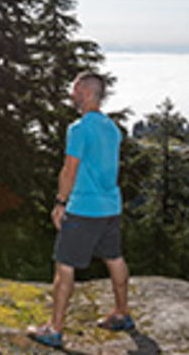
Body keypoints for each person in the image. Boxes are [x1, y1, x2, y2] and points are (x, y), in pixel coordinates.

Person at [27, 71, 135, 349]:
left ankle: (54, 329)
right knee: (114, 258)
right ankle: (122, 313)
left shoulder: (79, 128)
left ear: (86, 93)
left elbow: (70, 169)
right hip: (111, 207)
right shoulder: (112, 128)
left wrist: (61, 202)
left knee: (64, 266)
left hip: (84, 209)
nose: (71, 94)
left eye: (75, 89)